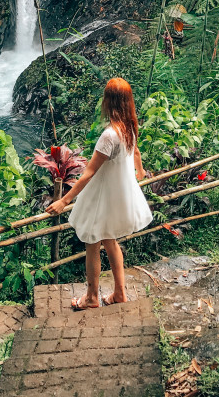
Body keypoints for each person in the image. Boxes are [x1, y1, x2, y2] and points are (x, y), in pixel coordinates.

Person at [46, 77, 153, 309]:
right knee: (110, 240)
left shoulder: (109, 135)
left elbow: (89, 172)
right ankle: (119, 294)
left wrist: (64, 201)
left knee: (92, 243)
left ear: (108, 102)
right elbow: (136, 154)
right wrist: (141, 172)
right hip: (117, 196)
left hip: (102, 197)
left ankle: (92, 297)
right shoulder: (129, 128)